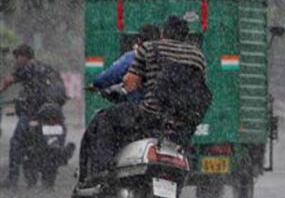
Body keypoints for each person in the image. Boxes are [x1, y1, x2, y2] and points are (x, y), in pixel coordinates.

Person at [77, 16, 207, 184]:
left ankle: (101, 172)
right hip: (184, 121)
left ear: (163, 33)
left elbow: (130, 83)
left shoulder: (149, 49)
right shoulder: (198, 56)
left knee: (105, 121)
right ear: (186, 35)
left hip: (151, 115)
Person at [0, 44, 74, 188]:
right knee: (54, 141)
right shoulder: (47, 68)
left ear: (24, 56)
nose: (16, 60)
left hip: (34, 112)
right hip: (54, 112)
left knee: (16, 142)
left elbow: (8, 81)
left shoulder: (28, 66)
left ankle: (12, 178)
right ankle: (57, 155)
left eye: (18, 57)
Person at [90, 24, 160, 101]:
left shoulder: (134, 56)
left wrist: (96, 83)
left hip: (139, 104)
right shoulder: (165, 55)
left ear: (139, 40)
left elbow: (113, 73)